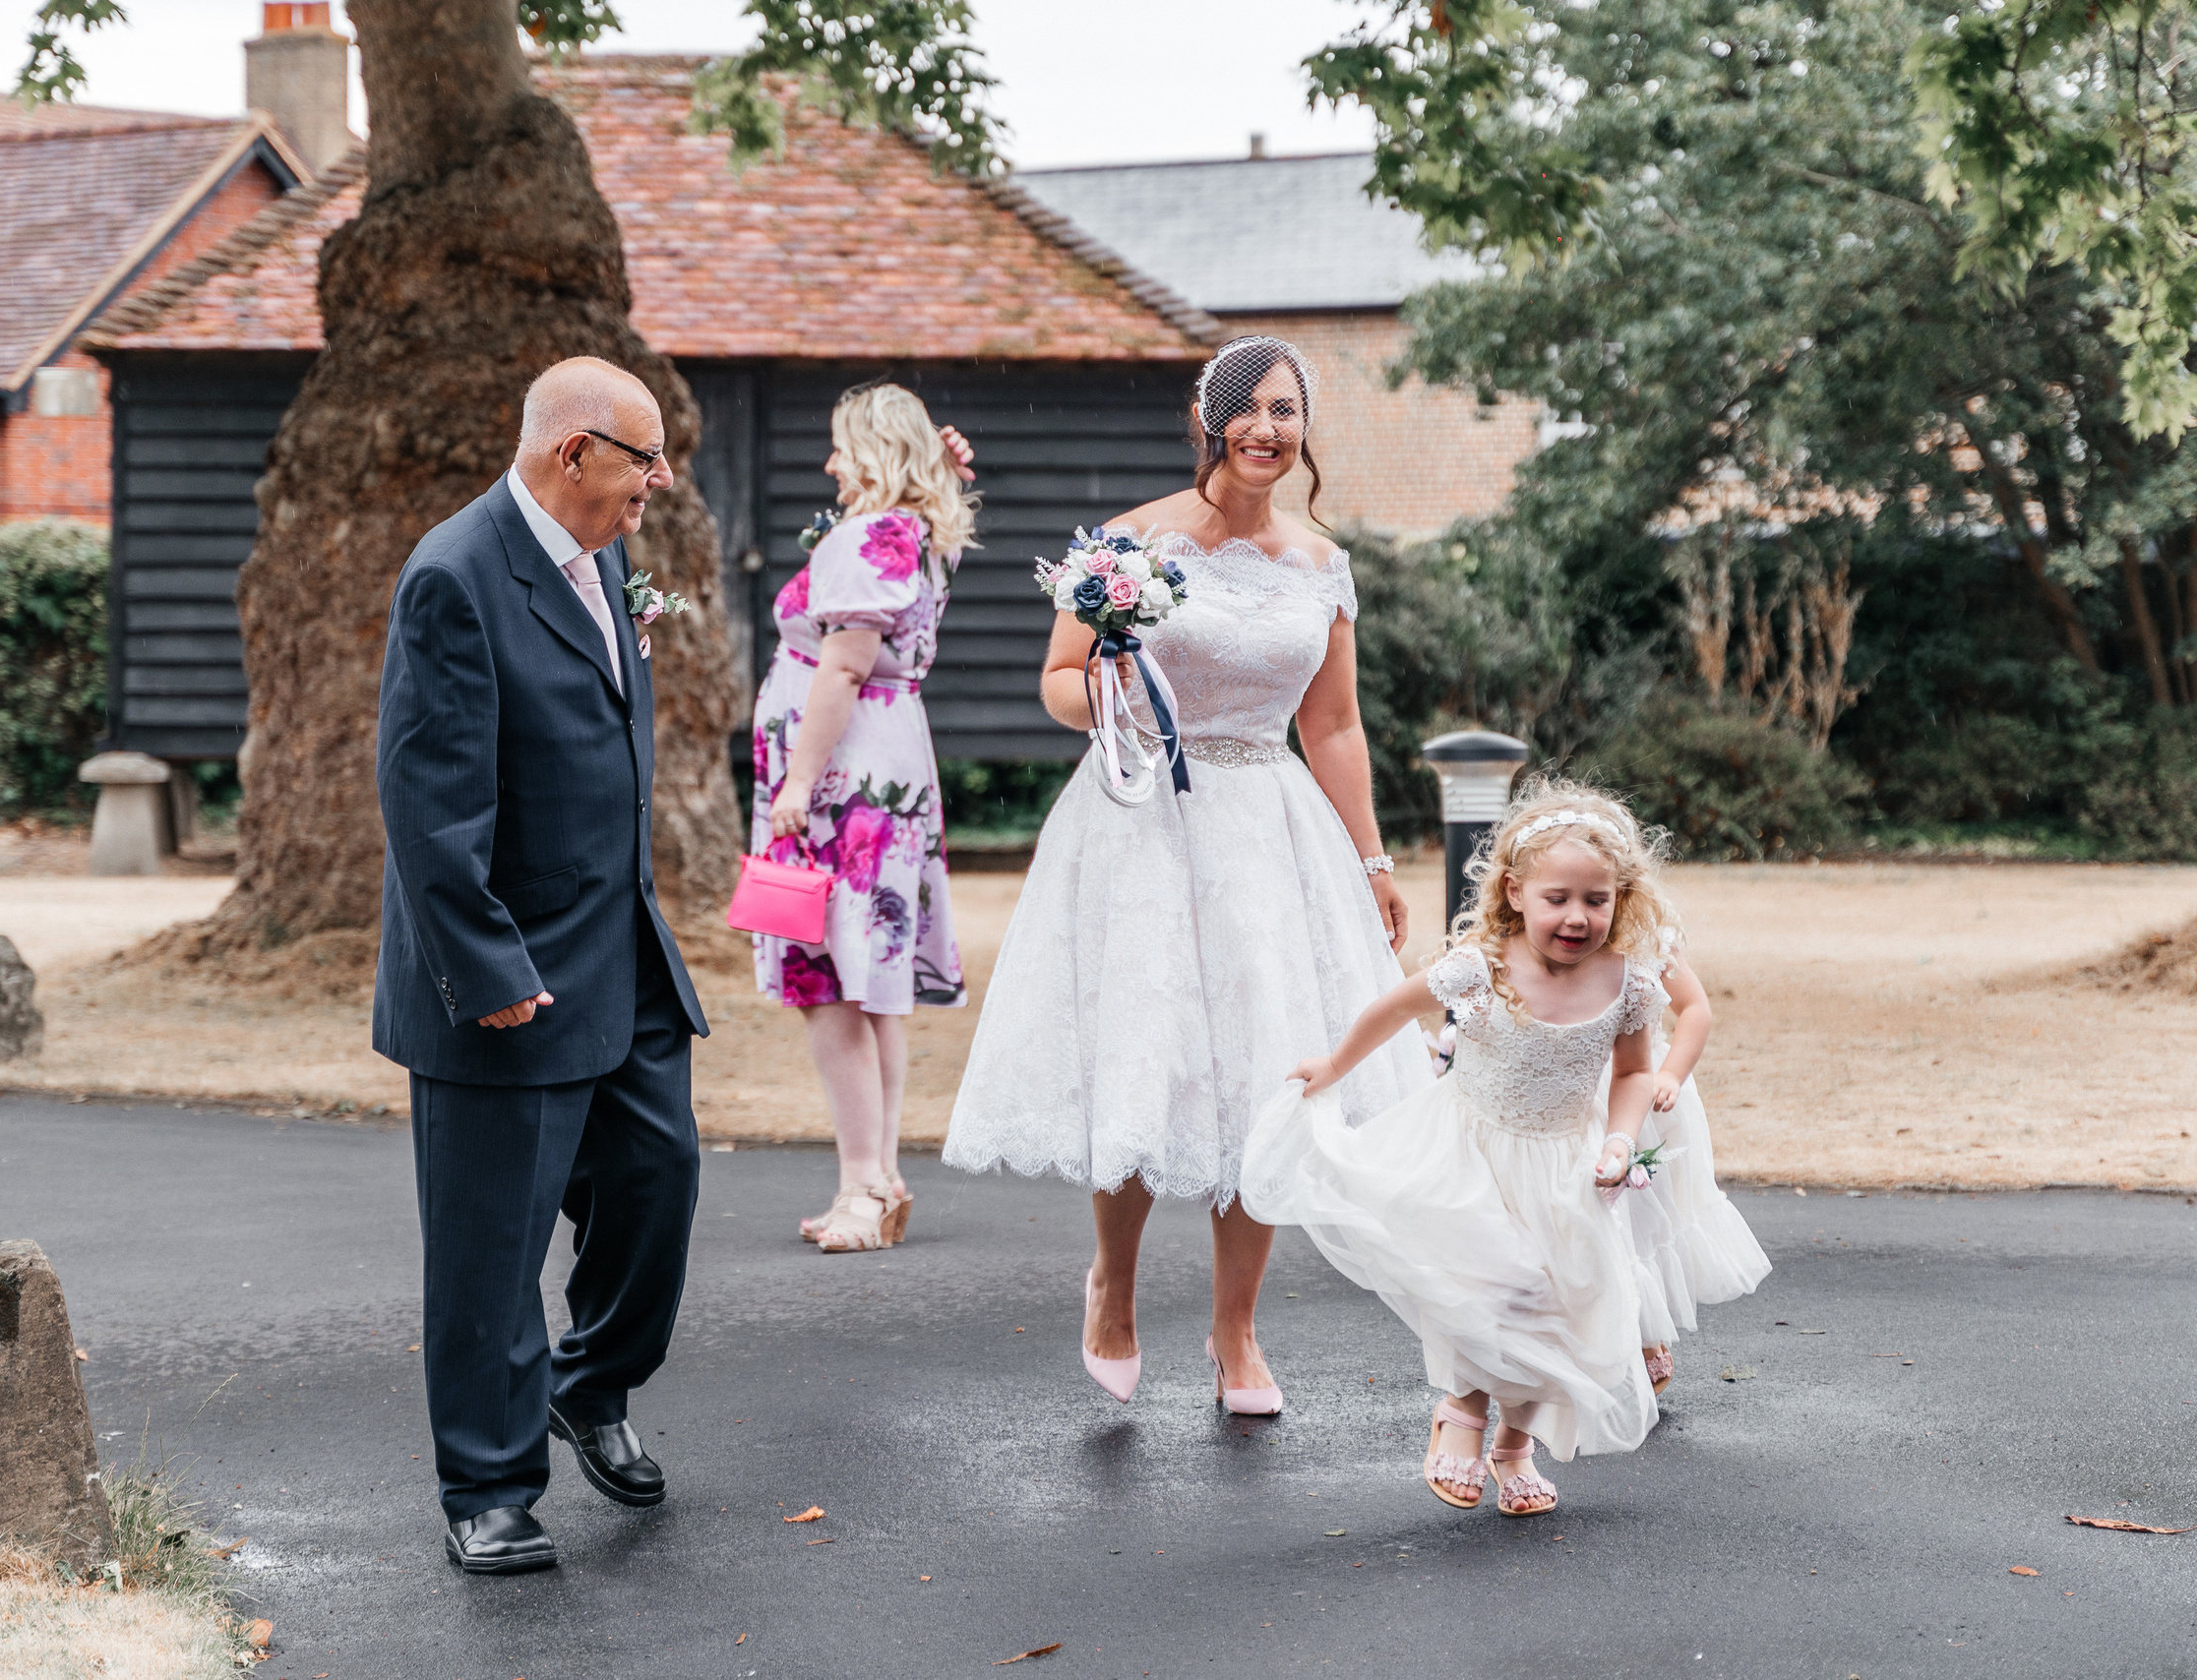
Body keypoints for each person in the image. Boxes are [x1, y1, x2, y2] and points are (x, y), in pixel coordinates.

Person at [945, 336, 1433, 1413]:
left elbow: (1334, 726)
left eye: (1286, 410)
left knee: (1267, 1071)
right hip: (1142, 824)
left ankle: (1235, 1329)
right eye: (1247, 407)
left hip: (1269, 829)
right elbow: (1059, 680)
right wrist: (1115, 687)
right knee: (1144, 1054)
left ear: (1304, 430)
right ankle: (1113, 1290)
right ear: (1209, 418)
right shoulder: (1127, 543)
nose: (1267, 428)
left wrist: (1371, 858)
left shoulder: (1321, 565)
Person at [372, 356, 707, 1577]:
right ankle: (489, 1486)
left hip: (620, 950)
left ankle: (590, 1381)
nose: (658, 482)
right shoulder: (454, 575)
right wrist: (485, 965)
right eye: (644, 459)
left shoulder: (605, 557)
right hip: (503, 972)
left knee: (658, 1177)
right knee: (492, 1247)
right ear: (574, 452)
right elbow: (425, 799)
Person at [1243, 783, 1686, 1517]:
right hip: (1472, 1154)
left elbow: (1636, 1072)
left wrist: (1618, 1138)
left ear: (1621, 899)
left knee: (1558, 1303)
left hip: (1564, 1165)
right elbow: (1393, 1007)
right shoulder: (1483, 968)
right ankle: (1462, 1411)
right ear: (1515, 893)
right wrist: (1334, 1067)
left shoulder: (1628, 982)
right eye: (1557, 898)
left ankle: (1515, 1443)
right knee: (1497, 1287)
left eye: (1597, 900)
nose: (1577, 917)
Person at [750, 383, 977, 1254]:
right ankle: (879, 1177)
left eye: (843, 447)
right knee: (870, 983)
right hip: (888, 758)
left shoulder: (867, 537)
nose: (830, 464)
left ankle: (862, 1185)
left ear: (878, 453)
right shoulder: (920, 533)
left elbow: (842, 668)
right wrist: (948, 470)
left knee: (830, 981)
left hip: (843, 780)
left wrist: (798, 785)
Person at [1617, 948, 1770, 1393]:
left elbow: (1694, 1007)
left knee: (1640, 1216)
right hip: (1572, 1092)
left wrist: (1671, 1073)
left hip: (1643, 1090)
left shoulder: (1646, 937)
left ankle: (1644, 1333)